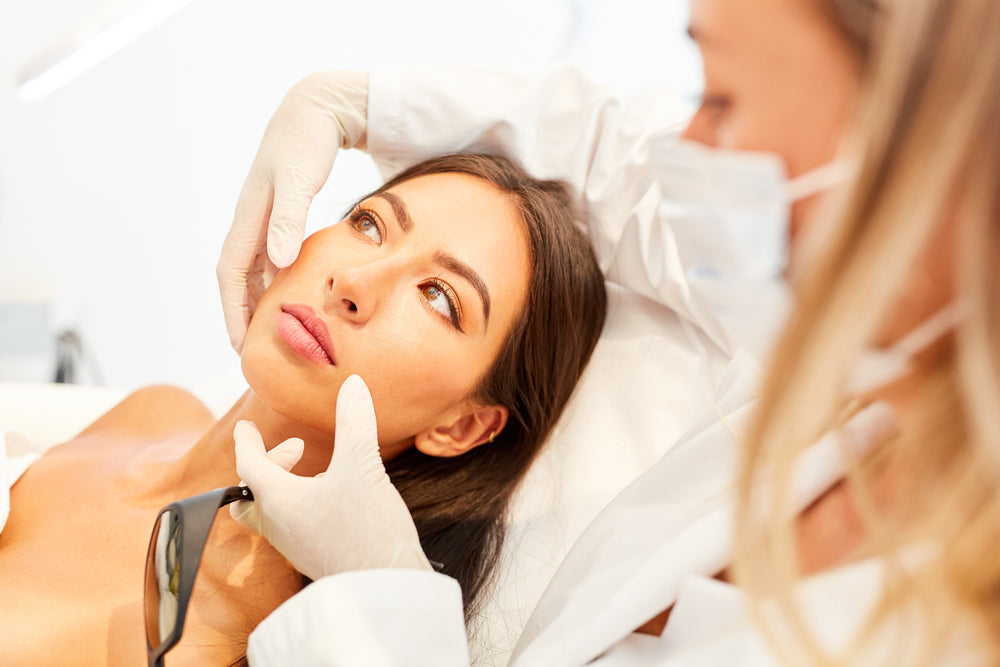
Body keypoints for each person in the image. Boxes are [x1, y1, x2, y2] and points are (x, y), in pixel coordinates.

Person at [221, 0, 1000, 664]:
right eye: (367, 222)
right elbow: (610, 158)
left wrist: (378, 602)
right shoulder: (847, 357)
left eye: (723, 99)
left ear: (926, 162)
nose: (685, 146)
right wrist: (350, 101)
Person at [0, 153, 606, 665]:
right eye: (369, 225)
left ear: (463, 425)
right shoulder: (152, 411)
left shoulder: (236, 639)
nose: (354, 282)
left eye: (439, 298)